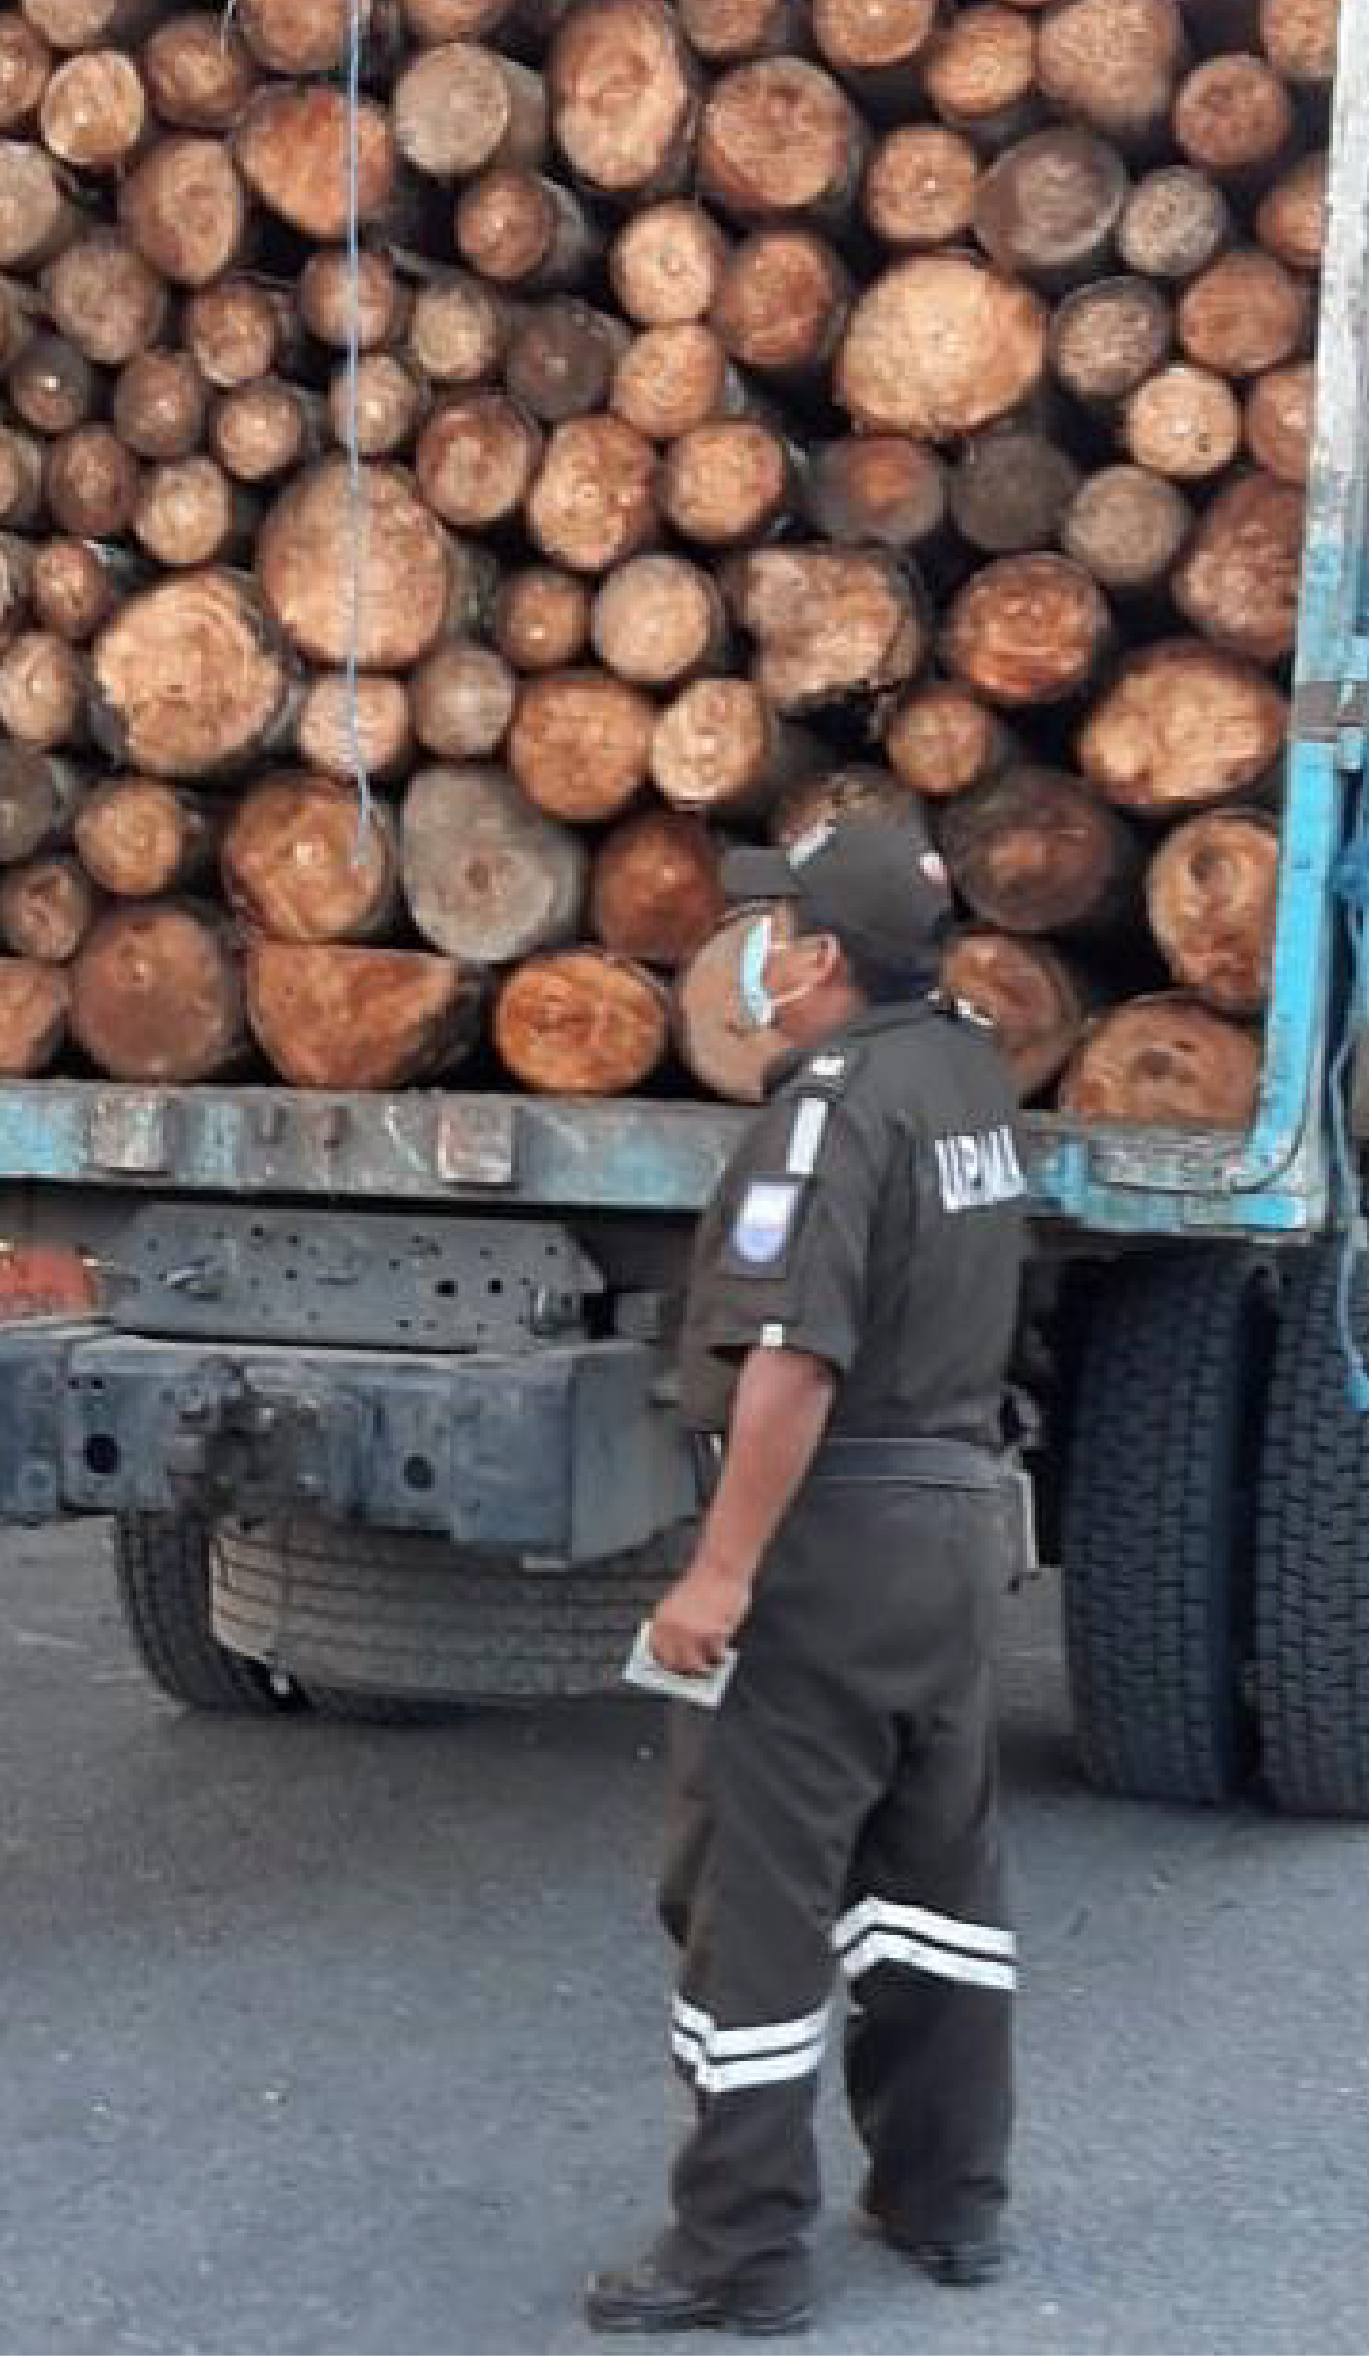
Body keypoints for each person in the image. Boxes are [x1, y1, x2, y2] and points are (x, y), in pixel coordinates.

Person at [586, 811, 1030, 2338]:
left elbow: (792, 1359)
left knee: (753, 1897)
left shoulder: (829, 1113)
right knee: (935, 1883)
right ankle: (948, 2199)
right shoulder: (968, 1077)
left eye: (776, 932)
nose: (758, 957)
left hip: (829, 1546)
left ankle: (740, 2252)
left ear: (824, 957)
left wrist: (720, 1576)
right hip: (951, 1532)